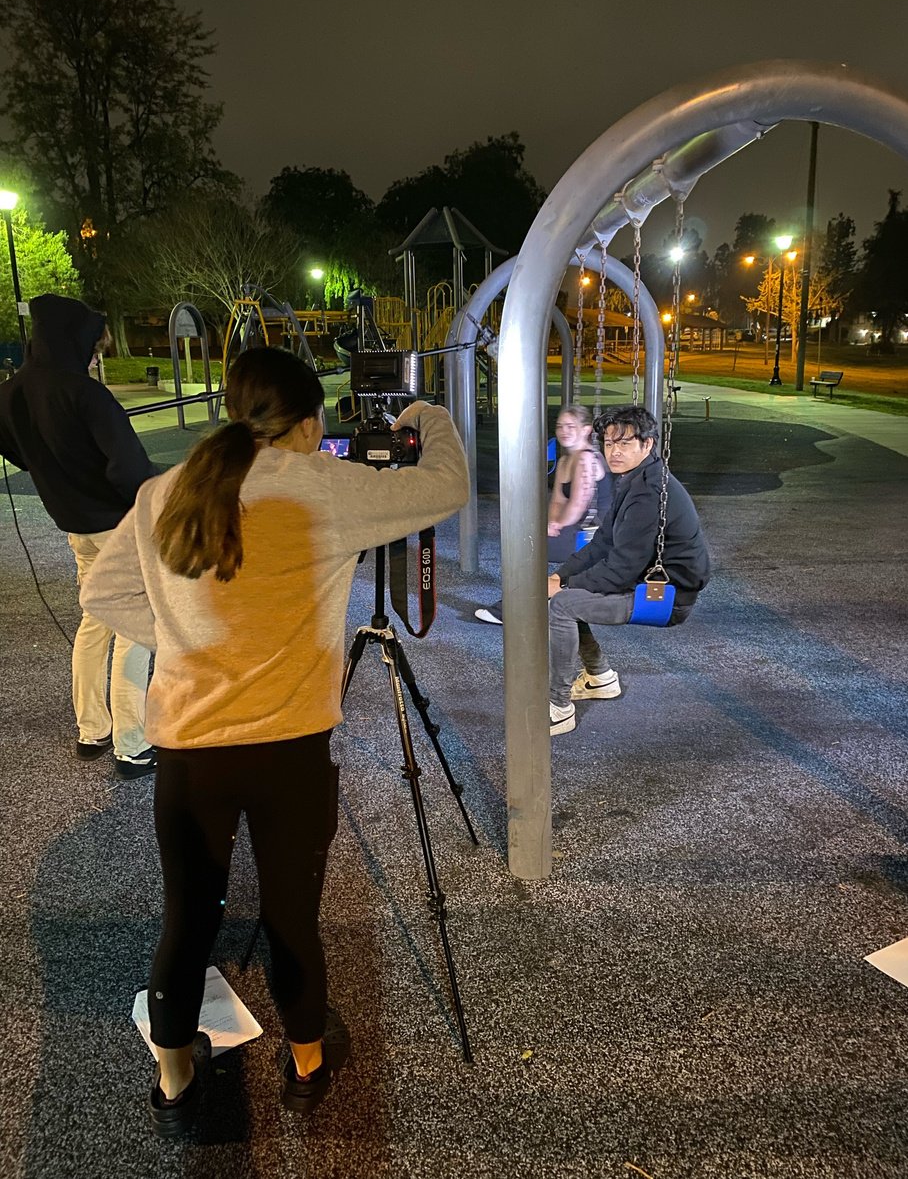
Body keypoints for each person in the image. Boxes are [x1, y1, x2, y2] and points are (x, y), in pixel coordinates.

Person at [79, 346, 469, 1137]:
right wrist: (423, 413)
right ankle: (306, 1067)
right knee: (294, 918)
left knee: (187, 920)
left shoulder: (167, 490)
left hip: (189, 750)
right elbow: (446, 486)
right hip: (291, 747)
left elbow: (103, 591)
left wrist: (182, 642)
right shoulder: (329, 485)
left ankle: (175, 1079)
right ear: (309, 421)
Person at [0, 293, 157, 775]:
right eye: (93, 349)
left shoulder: (11, 392)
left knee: (94, 622)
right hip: (118, 527)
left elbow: (18, 452)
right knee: (134, 629)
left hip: (74, 525)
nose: (94, 359)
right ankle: (132, 743)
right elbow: (128, 466)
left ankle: (93, 730)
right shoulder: (85, 394)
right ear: (75, 340)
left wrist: (57, 477)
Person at [547, 404, 710, 737]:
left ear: (647, 444)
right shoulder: (633, 479)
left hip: (665, 597)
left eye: (624, 443)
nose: (614, 452)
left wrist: (563, 588)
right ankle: (600, 678)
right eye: (609, 443)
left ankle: (559, 708)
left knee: (562, 605)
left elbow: (619, 570)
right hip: (642, 582)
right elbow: (602, 543)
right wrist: (560, 576)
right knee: (565, 593)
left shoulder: (648, 492)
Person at [474, 404, 611, 624]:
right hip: (573, 527)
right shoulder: (565, 461)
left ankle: (512, 609)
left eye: (571, 426)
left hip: (591, 533)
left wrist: (557, 526)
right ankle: (527, 603)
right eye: (560, 426)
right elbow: (557, 500)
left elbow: (578, 504)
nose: (564, 431)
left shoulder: (586, 459)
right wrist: (550, 522)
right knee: (528, 541)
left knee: (529, 547)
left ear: (586, 430)